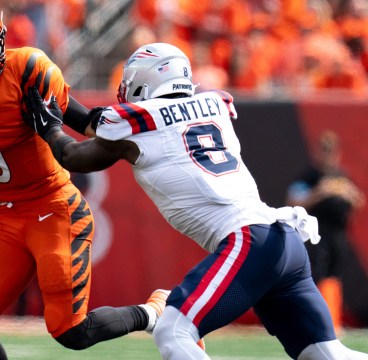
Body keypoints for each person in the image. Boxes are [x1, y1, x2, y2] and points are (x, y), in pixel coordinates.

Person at [21, 42, 368, 359]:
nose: (125, 92)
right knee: (326, 355)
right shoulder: (214, 105)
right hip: (282, 239)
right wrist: (62, 107)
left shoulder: (139, 124)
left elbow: (77, 157)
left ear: (145, 82)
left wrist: (50, 128)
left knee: (174, 331)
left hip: (248, 242)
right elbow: (114, 129)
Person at [0, 1, 171, 358]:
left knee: (72, 332)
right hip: (7, 214)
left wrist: (142, 129)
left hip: (55, 208)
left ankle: (155, 312)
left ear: (0, 42)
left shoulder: (27, 69)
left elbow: (83, 120)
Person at [286, 130, 365, 331]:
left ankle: (332, 319)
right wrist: (321, 192)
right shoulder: (310, 177)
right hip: (317, 233)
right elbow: (294, 201)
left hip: (338, 233)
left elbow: (359, 201)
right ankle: (313, 319)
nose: (328, 156)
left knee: (334, 274)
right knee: (316, 274)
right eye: (324, 151)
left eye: (331, 151)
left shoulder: (341, 176)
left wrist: (346, 192)